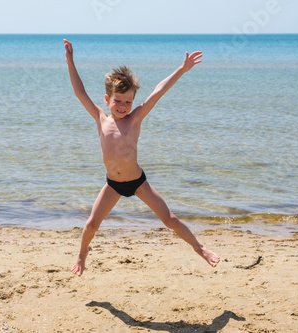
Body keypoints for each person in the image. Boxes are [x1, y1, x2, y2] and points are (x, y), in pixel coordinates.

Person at [64, 39, 220, 277]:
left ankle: (200, 248)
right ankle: (82, 255)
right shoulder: (100, 118)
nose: (123, 106)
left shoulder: (135, 119)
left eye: (128, 102)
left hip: (138, 182)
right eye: (118, 100)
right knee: (91, 225)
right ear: (107, 100)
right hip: (113, 185)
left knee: (170, 220)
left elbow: (158, 92)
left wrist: (182, 69)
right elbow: (79, 91)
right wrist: (70, 60)